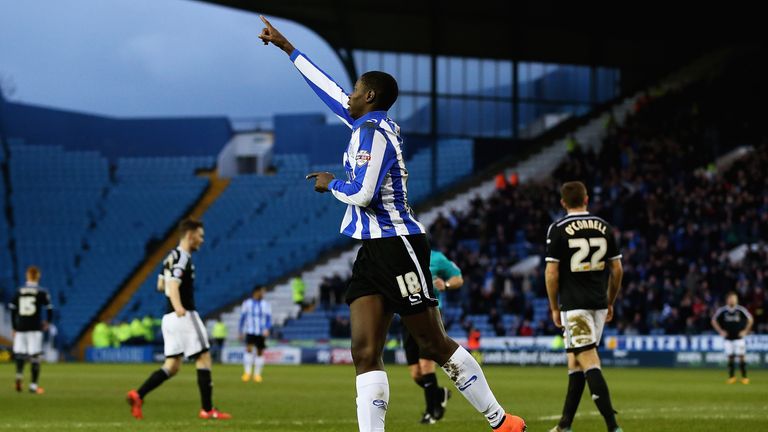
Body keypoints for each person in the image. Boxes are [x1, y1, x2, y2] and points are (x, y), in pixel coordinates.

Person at [259, 15, 526, 432]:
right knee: (364, 351)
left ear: (367, 95)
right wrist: (288, 48)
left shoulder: (375, 134)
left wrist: (331, 184)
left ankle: (500, 420)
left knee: (433, 343)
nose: (346, 95)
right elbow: (329, 91)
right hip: (372, 251)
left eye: (354, 91)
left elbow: (363, 194)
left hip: (398, 244)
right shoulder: (364, 123)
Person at [126, 219, 231, 421]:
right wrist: (179, 307)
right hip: (183, 314)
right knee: (204, 357)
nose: (202, 240)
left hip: (168, 319)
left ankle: (138, 395)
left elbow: (160, 285)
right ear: (190, 235)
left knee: (172, 366)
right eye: (200, 236)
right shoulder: (182, 257)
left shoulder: (169, 257)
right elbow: (172, 285)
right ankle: (207, 410)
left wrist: (173, 302)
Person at [545, 181, 623, 432]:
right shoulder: (605, 227)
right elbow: (617, 269)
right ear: (586, 199)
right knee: (575, 362)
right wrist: (610, 300)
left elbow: (551, 273)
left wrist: (554, 307)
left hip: (575, 306)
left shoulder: (557, 229)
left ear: (563, 203)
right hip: (599, 304)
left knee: (588, 360)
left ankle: (613, 427)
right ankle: (564, 425)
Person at [402, 249, 464, 424]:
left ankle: (431, 413)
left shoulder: (436, 257)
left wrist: (447, 285)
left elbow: (458, 278)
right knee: (416, 373)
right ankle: (440, 393)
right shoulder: (398, 255)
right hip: (406, 317)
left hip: (429, 315)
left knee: (426, 364)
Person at [8, 265, 53, 394]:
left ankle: (18, 376)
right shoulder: (42, 291)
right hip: (35, 327)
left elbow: (12, 309)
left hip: (21, 326)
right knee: (35, 356)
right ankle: (33, 386)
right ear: (38, 276)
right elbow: (50, 308)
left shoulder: (19, 290)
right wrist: (48, 322)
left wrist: (14, 326)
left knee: (20, 354)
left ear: (27, 276)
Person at [711, 292, 754, 384]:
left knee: (742, 356)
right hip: (728, 338)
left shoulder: (740, 310)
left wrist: (745, 331)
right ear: (727, 300)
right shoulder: (723, 311)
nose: (732, 300)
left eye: (734, 298)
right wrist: (720, 331)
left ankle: (744, 377)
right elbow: (714, 320)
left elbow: (750, 319)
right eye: (731, 298)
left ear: (737, 300)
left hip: (739, 338)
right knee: (730, 357)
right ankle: (732, 377)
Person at [239, 286, 272, 383]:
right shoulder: (247, 303)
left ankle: (257, 375)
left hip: (261, 332)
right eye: (261, 292)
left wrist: (267, 328)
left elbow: (269, 319)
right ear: (256, 292)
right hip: (250, 331)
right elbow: (243, 318)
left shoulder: (266, 304)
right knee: (248, 350)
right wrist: (240, 330)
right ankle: (247, 373)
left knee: (260, 352)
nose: (262, 294)